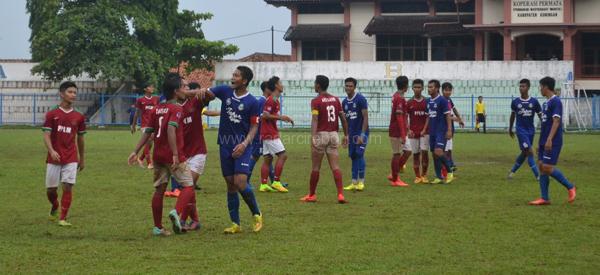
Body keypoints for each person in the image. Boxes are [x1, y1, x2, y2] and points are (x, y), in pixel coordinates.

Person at [196, 66, 263, 234]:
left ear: (244, 81)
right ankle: (235, 224)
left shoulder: (253, 102)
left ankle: (256, 214)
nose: (232, 77)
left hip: (242, 145)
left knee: (241, 182)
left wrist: (244, 144)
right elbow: (206, 94)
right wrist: (199, 94)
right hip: (224, 144)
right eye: (233, 74)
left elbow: (254, 127)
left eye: (236, 75)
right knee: (231, 184)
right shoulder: (225, 91)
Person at [127, 73, 197, 236]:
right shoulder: (177, 109)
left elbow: (148, 133)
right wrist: (174, 154)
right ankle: (176, 212)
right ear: (175, 91)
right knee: (188, 186)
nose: (185, 90)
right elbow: (171, 129)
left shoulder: (157, 108)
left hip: (157, 155)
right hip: (174, 155)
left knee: (159, 191)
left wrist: (135, 151)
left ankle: (158, 227)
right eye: (182, 87)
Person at [42, 81, 86, 226]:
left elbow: (80, 138)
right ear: (62, 94)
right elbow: (46, 135)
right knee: (51, 190)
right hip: (54, 157)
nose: (73, 95)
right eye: (70, 92)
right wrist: (52, 151)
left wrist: (82, 158)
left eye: (74, 92)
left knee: (67, 186)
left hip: (71, 157)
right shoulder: (52, 114)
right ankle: (55, 205)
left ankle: (63, 218)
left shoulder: (79, 116)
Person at [300, 75, 349, 203]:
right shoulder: (336, 99)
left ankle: (312, 195)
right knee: (335, 166)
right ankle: (340, 195)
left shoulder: (316, 101)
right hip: (333, 135)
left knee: (316, 167)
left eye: (314, 83)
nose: (314, 85)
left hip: (322, 135)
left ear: (318, 85)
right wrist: (346, 134)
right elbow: (343, 118)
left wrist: (313, 136)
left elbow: (315, 119)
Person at [529, 77, 576, 205]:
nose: (540, 89)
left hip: (553, 140)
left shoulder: (556, 102)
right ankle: (545, 198)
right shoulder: (546, 103)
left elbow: (556, 121)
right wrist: (540, 143)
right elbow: (545, 125)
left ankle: (570, 187)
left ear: (545, 87)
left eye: (540, 87)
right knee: (541, 166)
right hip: (544, 140)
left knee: (547, 167)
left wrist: (549, 139)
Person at [259, 76, 294, 193]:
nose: (282, 85)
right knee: (283, 155)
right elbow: (265, 115)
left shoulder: (275, 100)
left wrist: (281, 118)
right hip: (269, 132)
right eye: (280, 83)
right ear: (276, 86)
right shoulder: (271, 100)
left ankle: (263, 184)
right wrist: (281, 117)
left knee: (268, 159)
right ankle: (276, 182)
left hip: (267, 131)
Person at [508, 79, 542, 180]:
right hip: (520, 130)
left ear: (528, 87)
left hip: (531, 131)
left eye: (523, 86)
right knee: (529, 151)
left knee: (524, 153)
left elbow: (541, 116)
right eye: (520, 86)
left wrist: (546, 126)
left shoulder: (534, 102)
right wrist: (510, 128)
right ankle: (538, 175)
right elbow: (512, 115)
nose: (521, 88)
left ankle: (512, 172)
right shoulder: (515, 102)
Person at [421, 80, 454, 184]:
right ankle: (439, 177)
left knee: (438, 152)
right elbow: (428, 117)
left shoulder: (443, 100)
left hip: (441, 131)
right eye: (428, 87)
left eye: (431, 87)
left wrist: (449, 130)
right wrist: (424, 129)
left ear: (436, 88)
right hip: (432, 131)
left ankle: (449, 171)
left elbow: (448, 115)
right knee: (434, 155)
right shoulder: (428, 101)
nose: (429, 89)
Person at [342, 77, 369, 191]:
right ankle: (354, 182)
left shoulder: (360, 99)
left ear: (355, 87)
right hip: (352, 134)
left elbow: (366, 117)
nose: (348, 88)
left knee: (359, 154)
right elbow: (346, 121)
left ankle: (361, 182)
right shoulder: (344, 102)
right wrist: (346, 135)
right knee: (353, 156)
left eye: (350, 86)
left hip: (361, 132)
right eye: (347, 85)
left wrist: (363, 134)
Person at [250, 81, 276, 192]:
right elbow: (258, 118)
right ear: (266, 89)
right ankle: (245, 180)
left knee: (268, 157)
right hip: (259, 134)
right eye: (271, 88)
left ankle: (275, 182)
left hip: (264, 134)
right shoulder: (261, 101)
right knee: (255, 156)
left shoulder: (266, 101)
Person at [388, 76, 412, 187]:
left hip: (400, 129)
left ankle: (394, 173)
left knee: (408, 151)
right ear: (406, 86)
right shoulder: (399, 98)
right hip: (396, 130)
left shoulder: (397, 96)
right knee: (397, 154)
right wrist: (403, 134)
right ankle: (395, 179)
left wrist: (407, 129)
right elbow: (399, 117)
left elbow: (403, 116)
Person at [406, 79, 429, 184]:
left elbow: (429, 117)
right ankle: (417, 176)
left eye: (419, 87)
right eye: (415, 87)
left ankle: (424, 175)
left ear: (422, 88)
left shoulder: (427, 102)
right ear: (412, 88)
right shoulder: (409, 102)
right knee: (415, 154)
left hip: (425, 132)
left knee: (424, 153)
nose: (417, 89)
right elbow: (405, 117)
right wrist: (408, 129)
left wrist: (424, 129)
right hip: (413, 133)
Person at [131, 83, 159, 168]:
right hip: (144, 125)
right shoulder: (140, 100)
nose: (152, 88)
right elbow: (136, 113)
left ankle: (140, 158)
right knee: (148, 141)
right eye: (150, 86)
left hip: (154, 124)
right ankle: (150, 163)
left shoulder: (156, 99)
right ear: (145, 89)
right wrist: (133, 125)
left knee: (149, 144)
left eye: (152, 86)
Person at [441, 82, 465, 173]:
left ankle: (450, 164)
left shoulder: (449, 100)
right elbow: (444, 116)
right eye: (446, 90)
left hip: (450, 127)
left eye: (449, 90)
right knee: (445, 150)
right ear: (442, 90)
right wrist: (455, 119)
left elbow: (454, 109)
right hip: (445, 127)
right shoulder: (442, 100)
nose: (448, 92)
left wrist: (459, 118)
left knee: (449, 148)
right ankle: (446, 169)